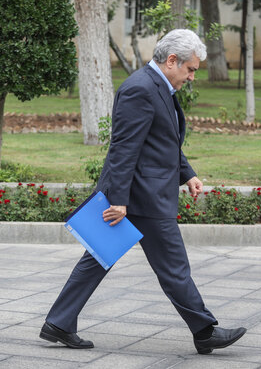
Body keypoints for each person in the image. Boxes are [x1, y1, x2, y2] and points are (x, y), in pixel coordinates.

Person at [39, 29, 246, 355]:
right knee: (174, 265)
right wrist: (119, 201)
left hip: (141, 194)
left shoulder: (157, 86)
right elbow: (124, 150)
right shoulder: (140, 89)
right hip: (142, 199)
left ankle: (59, 323)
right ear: (172, 60)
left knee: (97, 258)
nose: (192, 76)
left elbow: (162, 142)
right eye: (190, 69)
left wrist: (187, 174)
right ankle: (205, 331)